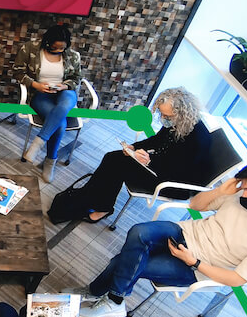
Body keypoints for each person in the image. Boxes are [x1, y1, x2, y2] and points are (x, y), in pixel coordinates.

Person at [77, 161, 247, 317]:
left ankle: (105, 296)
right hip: (184, 233)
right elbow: (196, 205)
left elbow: (238, 279)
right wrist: (220, 191)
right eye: (244, 189)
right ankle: (111, 298)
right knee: (138, 232)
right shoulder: (242, 196)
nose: (245, 195)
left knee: (121, 261)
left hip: (197, 264)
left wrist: (194, 262)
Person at [83, 87, 212, 223]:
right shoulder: (178, 122)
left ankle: (102, 206)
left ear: (182, 113)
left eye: (167, 116)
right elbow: (158, 140)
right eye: (162, 114)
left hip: (174, 183)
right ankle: (93, 198)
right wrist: (135, 147)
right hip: (163, 166)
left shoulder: (197, 139)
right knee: (112, 157)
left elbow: (177, 170)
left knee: (118, 166)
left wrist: (149, 162)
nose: (163, 119)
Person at [13, 25, 82, 183]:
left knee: (64, 106)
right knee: (60, 123)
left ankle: (37, 143)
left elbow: (77, 78)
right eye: (55, 47)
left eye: (62, 48)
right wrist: (37, 85)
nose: (58, 50)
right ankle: (51, 160)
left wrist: (64, 85)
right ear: (47, 41)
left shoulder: (73, 55)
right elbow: (17, 72)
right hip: (40, 94)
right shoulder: (30, 49)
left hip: (64, 93)